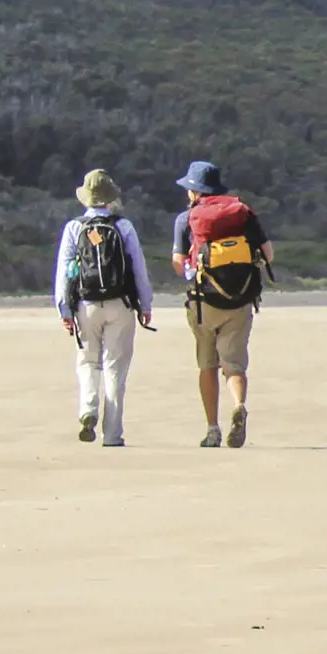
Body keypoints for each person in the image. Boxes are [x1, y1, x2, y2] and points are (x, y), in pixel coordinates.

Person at [170, 159, 274, 449]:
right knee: (234, 365)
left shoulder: (186, 218)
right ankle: (239, 404)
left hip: (204, 303)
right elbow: (269, 254)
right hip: (240, 300)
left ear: (193, 191)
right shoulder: (243, 214)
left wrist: (192, 271)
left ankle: (213, 430)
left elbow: (179, 262)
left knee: (207, 365)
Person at [52, 169, 155, 446]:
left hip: (86, 304)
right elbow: (139, 269)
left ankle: (88, 408)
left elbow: (64, 272)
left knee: (87, 361)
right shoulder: (124, 227)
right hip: (120, 304)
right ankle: (112, 434)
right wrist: (145, 304)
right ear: (110, 198)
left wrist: (64, 309)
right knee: (114, 368)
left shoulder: (74, 227)